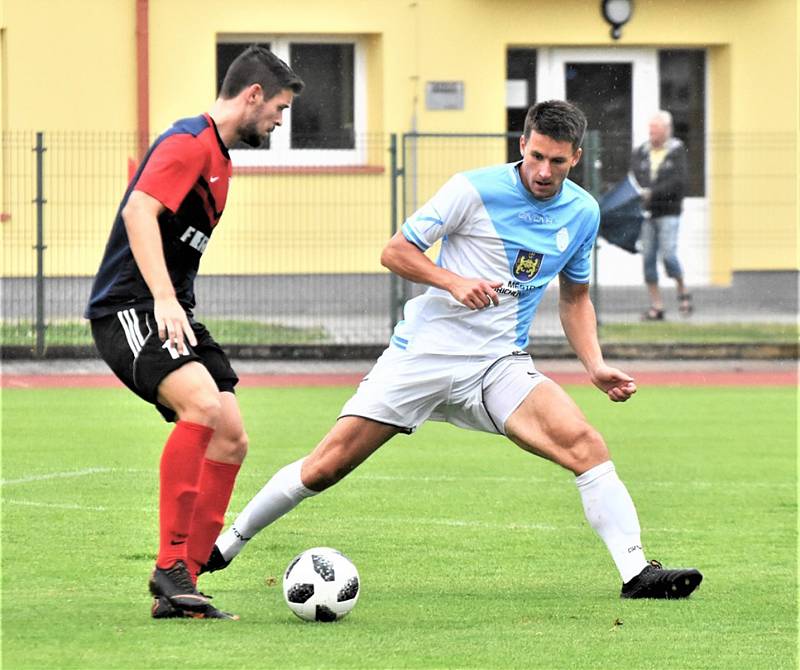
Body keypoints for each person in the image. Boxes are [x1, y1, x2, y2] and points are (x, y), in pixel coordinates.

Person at [204, 100, 703, 600]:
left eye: (558, 162)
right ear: (523, 144)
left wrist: (594, 364)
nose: (544, 172)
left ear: (575, 157)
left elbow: (575, 297)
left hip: (497, 363)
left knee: (585, 445)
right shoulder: (473, 189)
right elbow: (395, 251)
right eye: (537, 157)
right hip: (424, 355)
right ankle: (225, 544)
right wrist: (453, 281)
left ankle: (637, 573)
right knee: (325, 467)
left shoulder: (583, 212)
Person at [84, 46, 304, 620]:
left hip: (170, 308)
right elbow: (138, 213)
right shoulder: (188, 142)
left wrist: (173, 301)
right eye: (279, 108)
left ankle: (189, 578)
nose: (280, 121)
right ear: (252, 95)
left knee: (231, 435)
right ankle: (170, 567)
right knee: (202, 409)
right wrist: (161, 298)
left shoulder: (223, 162)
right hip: (128, 309)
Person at [631, 110, 691, 320]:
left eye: (655, 130)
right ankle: (657, 306)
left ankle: (682, 291)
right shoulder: (641, 152)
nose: (652, 134)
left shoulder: (676, 151)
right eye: (650, 130)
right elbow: (636, 177)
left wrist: (652, 193)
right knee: (648, 259)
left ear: (667, 130)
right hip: (647, 214)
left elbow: (678, 182)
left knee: (669, 255)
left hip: (669, 212)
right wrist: (642, 194)